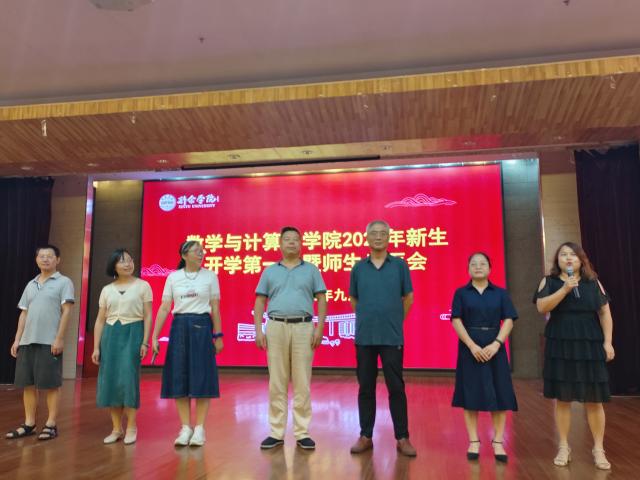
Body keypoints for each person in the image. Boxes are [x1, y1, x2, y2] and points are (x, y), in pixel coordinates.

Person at [534, 242, 615, 470]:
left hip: (589, 343)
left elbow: (605, 313)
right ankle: (563, 446)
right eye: (563, 254)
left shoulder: (593, 282)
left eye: (573, 255)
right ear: (557, 260)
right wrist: (564, 290)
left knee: (594, 398)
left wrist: (608, 342)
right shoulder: (549, 281)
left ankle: (598, 449)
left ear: (581, 260)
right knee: (563, 397)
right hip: (561, 343)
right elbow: (541, 307)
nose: (568, 258)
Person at [254, 226, 327, 450]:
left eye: (296, 239)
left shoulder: (311, 270)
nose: (292, 242)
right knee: (277, 381)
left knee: (302, 381)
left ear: (301, 244)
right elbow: (260, 302)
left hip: (304, 327)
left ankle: (302, 432)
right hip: (276, 326)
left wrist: (319, 328)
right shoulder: (269, 271)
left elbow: (321, 299)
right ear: (280, 244)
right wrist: (258, 330)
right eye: (287, 239)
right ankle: (276, 432)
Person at [348, 220, 417, 457]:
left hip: (391, 336)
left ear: (389, 237)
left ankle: (402, 437)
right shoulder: (358, 268)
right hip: (365, 337)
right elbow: (354, 300)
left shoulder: (399, 265)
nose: (378, 237)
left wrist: (395, 320)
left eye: (383, 233)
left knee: (396, 387)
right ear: (366, 238)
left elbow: (408, 298)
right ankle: (365, 435)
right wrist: (369, 318)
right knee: (365, 387)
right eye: (374, 233)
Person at [151, 240, 223, 447]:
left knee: (202, 377)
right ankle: (185, 428)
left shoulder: (210, 276)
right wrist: (155, 336)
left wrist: (218, 335)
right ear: (184, 255)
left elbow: (215, 308)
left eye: (202, 251)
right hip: (179, 326)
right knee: (179, 376)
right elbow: (165, 307)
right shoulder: (173, 277)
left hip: (202, 326)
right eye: (196, 251)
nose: (201, 253)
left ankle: (199, 429)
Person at [450, 252, 518, 463]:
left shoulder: (500, 293)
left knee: (499, 393)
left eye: (482, 263)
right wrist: (471, 345)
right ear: (468, 269)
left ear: (490, 268)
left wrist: (497, 343)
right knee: (470, 394)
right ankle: (474, 441)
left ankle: (498, 441)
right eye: (473, 264)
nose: (478, 267)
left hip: (494, 347)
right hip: (469, 348)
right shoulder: (461, 293)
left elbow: (509, 320)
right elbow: (456, 320)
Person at [6, 245, 75, 441]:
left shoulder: (64, 282)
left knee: (51, 384)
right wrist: (17, 339)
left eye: (49, 256)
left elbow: (67, 311)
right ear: (36, 260)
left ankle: (51, 424)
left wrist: (59, 338)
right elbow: (24, 313)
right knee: (28, 384)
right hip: (27, 341)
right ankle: (29, 424)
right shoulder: (31, 284)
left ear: (57, 260)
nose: (45, 259)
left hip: (49, 341)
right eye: (41, 256)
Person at [91, 249, 153, 445]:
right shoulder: (107, 290)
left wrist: (145, 341)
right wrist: (96, 347)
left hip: (133, 333)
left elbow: (148, 316)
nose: (128, 264)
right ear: (114, 266)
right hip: (110, 335)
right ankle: (117, 429)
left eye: (130, 260)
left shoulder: (143, 285)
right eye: (122, 261)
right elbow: (100, 320)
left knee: (128, 381)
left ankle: (132, 427)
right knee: (110, 381)